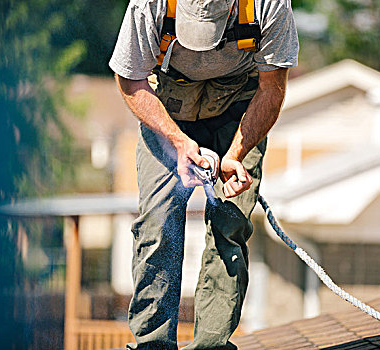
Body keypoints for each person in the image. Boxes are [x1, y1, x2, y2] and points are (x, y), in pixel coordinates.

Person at [109, 0, 298, 348]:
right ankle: (152, 344)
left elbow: (272, 88)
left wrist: (236, 154)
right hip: (168, 110)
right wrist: (178, 142)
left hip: (240, 107)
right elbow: (130, 79)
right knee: (157, 223)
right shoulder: (148, 5)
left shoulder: (268, 5)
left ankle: (212, 345)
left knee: (230, 223)